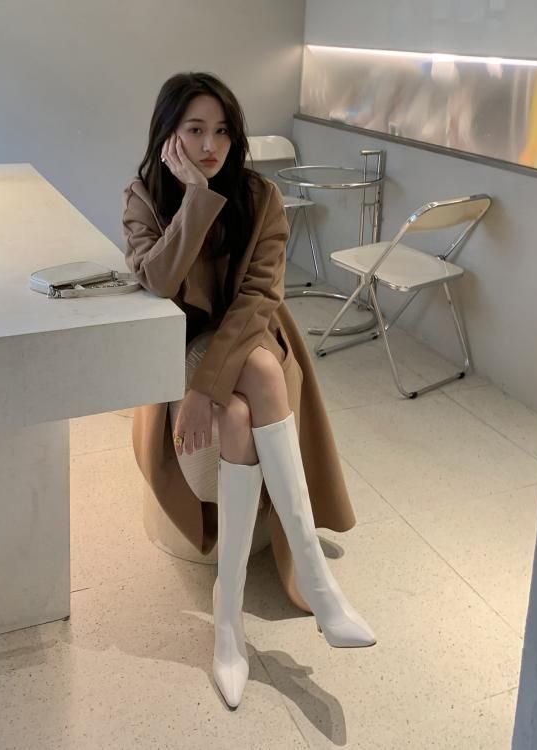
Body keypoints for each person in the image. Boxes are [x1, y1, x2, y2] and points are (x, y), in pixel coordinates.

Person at [122, 72, 375, 710]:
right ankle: (304, 588)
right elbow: (159, 281)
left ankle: (230, 620)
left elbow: (259, 296)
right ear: (169, 136)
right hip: (184, 339)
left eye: (222, 131)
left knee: (251, 387)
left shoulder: (261, 195)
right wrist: (196, 198)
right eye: (195, 130)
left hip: (252, 331)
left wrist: (208, 390)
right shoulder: (144, 196)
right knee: (243, 402)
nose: (210, 145)